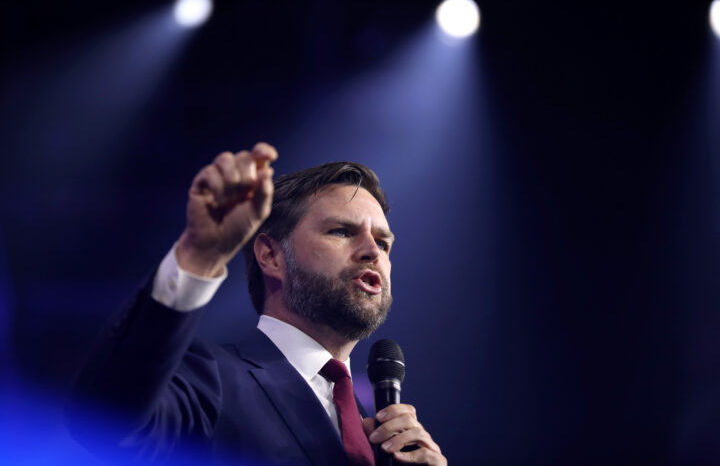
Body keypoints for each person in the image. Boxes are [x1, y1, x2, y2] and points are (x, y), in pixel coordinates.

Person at [67, 143, 447, 465]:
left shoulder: (379, 436)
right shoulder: (211, 378)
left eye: (383, 242)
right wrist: (200, 255)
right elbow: (107, 420)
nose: (371, 252)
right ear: (270, 256)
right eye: (341, 231)